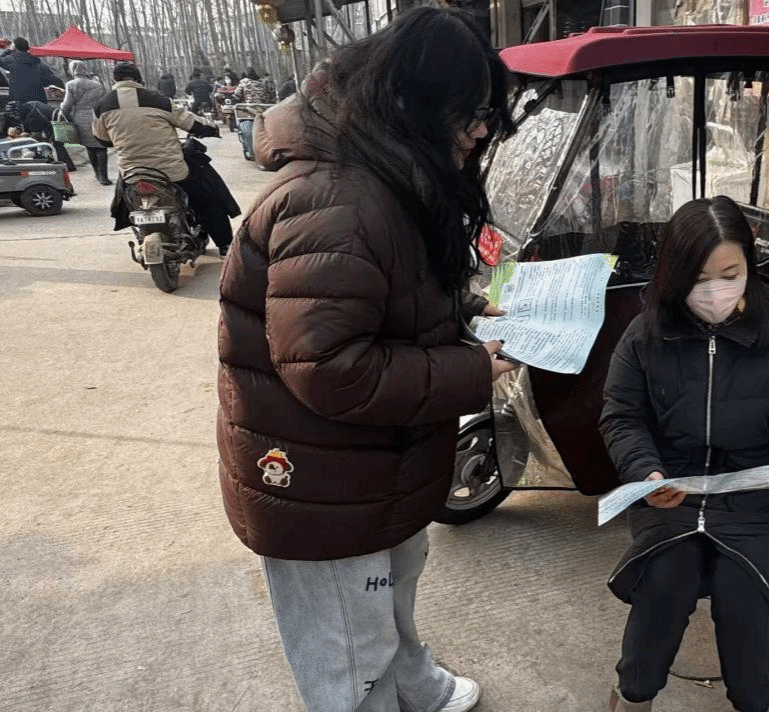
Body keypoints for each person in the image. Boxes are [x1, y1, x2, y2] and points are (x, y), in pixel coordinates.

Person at [216, 7, 515, 712]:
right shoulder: (336, 200)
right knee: (349, 654)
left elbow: (383, 292)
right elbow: (329, 368)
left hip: (371, 466)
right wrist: (470, 371)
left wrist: (465, 310)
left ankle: (415, 686)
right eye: (473, 113)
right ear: (415, 103)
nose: (481, 131)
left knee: (389, 597)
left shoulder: (384, 174)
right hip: (317, 481)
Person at [600, 195, 769, 712]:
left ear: (750, 266)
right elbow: (622, 415)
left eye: (729, 274)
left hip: (755, 491)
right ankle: (634, 696)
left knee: (745, 596)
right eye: (697, 278)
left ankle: (754, 703)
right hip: (672, 488)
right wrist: (645, 472)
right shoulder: (646, 333)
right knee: (663, 583)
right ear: (673, 275)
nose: (715, 291)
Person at [92, 63, 237, 255]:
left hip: (132, 173)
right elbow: (191, 123)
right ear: (139, 79)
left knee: (124, 196)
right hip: (170, 172)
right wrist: (211, 128)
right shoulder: (159, 100)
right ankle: (225, 243)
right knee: (207, 193)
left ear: (115, 80)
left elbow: (102, 140)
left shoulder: (101, 106)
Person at [61, 60, 112, 184]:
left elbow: (67, 105)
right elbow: (104, 102)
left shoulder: (71, 84)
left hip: (80, 118)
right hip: (97, 117)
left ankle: (97, 174)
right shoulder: (97, 85)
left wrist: (64, 114)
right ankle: (104, 177)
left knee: (90, 147)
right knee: (101, 147)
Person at [0, 37, 64, 104]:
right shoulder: (37, 62)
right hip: (38, 100)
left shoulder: (11, 61)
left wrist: (9, 50)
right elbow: (51, 81)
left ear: (15, 48)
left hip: (19, 100)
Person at [14, 99, 74, 168]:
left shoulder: (31, 115)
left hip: (52, 122)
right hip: (52, 118)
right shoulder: (30, 106)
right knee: (54, 143)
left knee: (54, 144)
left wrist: (27, 148)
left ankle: (66, 165)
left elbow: (35, 136)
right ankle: (66, 164)